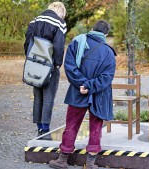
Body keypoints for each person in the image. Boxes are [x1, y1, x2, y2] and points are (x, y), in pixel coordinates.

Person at [49, 20, 116, 169]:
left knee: (71, 125)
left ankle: (62, 160)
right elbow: (107, 77)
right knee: (96, 127)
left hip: (77, 92)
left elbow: (70, 67)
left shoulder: (77, 43)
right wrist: (90, 86)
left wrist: (82, 84)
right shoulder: (109, 52)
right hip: (98, 94)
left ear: (92, 29)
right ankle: (91, 163)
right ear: (106, 34)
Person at [23, 2, 67, 138]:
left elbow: (27, 41)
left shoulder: (34, 20)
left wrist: (30, 59)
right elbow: (59, 45)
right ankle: (45, 129)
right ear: (61, 11)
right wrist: (58, 63)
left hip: (34, 64)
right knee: (48, 97)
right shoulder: (59, 23)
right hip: (50, 65)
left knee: (38, 96)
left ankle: (39, 128)